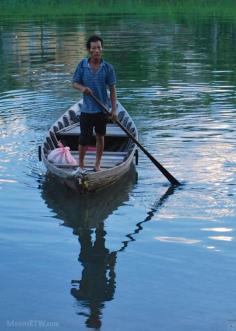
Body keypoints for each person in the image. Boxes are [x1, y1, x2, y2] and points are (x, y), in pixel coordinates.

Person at [72, 35, 117, 173]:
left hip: (102, 110)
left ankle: (97, 164)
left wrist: (113, 110)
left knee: (100, 136)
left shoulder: (108, 68)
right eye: (93, 48)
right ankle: (80, 165)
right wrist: (83, 89)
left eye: (99, 47)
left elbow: (112, 90)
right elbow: (74, 83)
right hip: (86, 109)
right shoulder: (82, 65)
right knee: (83, 139)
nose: (96, 50)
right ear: (88, 50)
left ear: (102, 49)